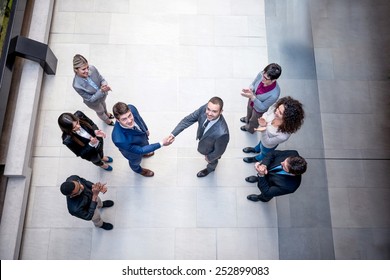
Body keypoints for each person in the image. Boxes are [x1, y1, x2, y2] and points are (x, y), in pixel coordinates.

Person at [169, 96, 230, 178]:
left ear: (221, 111)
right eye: (208, 109)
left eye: (214, 111)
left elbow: (219, 151)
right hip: (205, 139)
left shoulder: (223, 133)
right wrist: (173, 134)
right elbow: (188, 120)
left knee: (213, 160)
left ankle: (210, 169)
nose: (209, 113)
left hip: (210, 149)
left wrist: (209, 157)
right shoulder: (205, 108)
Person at [111, 102, 172, 177]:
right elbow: (140, 150)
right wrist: (162, 143)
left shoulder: (132, 108)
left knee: (145, 147)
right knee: (135, 162)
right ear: (117, 120)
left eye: (129, 115)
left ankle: (145, 153)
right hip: (132, 153)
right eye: (124, 119)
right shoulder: (119, 139)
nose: (129, 121)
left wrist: (145, 130)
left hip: (141, 140)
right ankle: (138, 170)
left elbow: (139, 119)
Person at [243, 96, 304, 163]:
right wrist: (263, 118)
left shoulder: (283, 135)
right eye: (278, 108)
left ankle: (256, 159)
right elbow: (267, 113)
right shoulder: (275, 109)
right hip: (263, 139)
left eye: (280, 113)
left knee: (264, 153)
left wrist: (263, 129)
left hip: (268, 146)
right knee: (260, 144)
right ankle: (256, 149)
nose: (276, 111)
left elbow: (267, 142)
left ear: (287, 118)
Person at [72, 54, 114, 126]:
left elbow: (101, 78)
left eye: (87, 67)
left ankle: (106, 113)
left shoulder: (92, 68)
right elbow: (90, 99)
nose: (87, 70)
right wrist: (101, 91)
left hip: (102, 94)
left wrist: (104, 84)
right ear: (76, 70)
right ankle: (107, 121)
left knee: (103, 104)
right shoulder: (76, 85)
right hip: (93, 103)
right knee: (100, 111)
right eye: (83, 69)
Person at [240, 63, 282, 133]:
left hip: (258, 109)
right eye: (263, 75)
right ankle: (247, 119)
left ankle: (249, 128)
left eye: (266, 78)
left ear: (273, 80)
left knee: (254, 121)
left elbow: (263, 107)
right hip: (252, 97)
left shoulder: (275, 94)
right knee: (249, 109)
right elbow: (253, 84)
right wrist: (251, 89)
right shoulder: (261, 74)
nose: (262, 78)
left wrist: (253, 97)